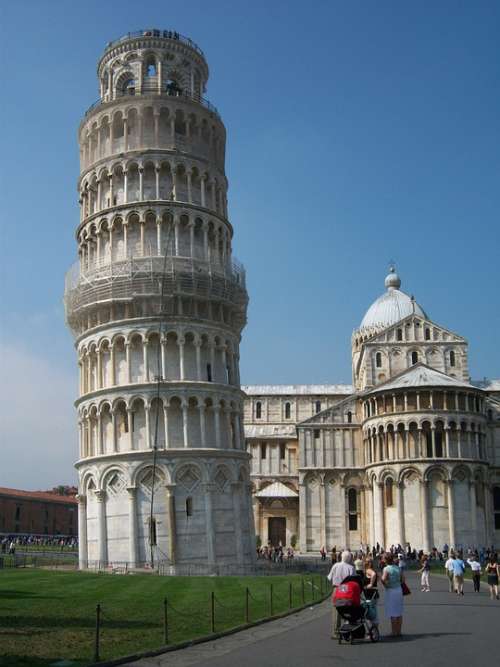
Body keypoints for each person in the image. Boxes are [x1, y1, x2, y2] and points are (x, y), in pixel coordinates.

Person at [327, 550, 355, 638]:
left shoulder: (335, 565)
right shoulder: (351, 568)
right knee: (348, 609)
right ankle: (347, 629)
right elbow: (353, 581)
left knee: (336, 611)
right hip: (346, 589)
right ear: (349, 559)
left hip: (337, 589)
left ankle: (336, 632)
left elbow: (329, 577)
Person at [381, 552, 405, 637]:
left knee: (392, 611)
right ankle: (399, 631)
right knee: (399, 611)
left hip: (391, 591)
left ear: (386, 560)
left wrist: (386, 585)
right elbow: (403, 580)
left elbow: (383, 579)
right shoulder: (398, 568)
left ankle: (393, 632)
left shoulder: (386, 569)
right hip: (399, 590)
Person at [364, 557, 379, 628]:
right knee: (374, 611)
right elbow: (377, 578)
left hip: (370, 594)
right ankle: (375, 630)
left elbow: (373, 575)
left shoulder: (368, 570)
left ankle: (371, 631)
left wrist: (371, 584)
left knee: (369, 613)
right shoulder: (373, 570)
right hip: (374, 593)